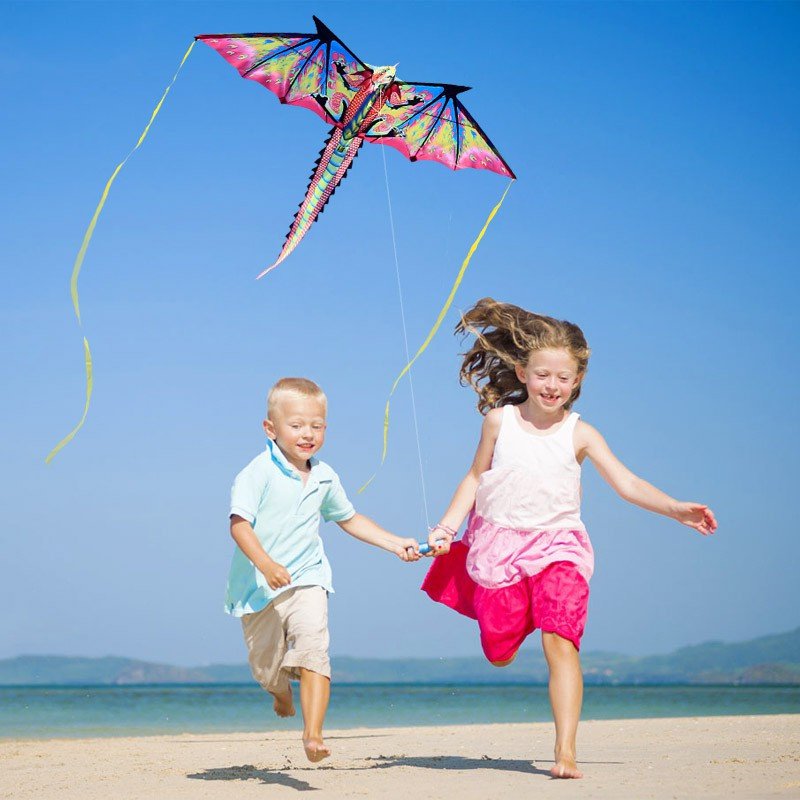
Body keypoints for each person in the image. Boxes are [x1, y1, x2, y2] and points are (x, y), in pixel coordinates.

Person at [421, 298, 717, 779]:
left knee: (562, 640)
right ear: (521, 372)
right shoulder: (499, 422)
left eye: (563, 377)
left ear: (577, 380)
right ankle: (513, 624)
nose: (552, 386)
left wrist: (674, 508)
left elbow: (628, 483)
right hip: (499, 550)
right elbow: (475, 478)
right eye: (542, 375)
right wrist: (446, 528)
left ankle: (565, 752)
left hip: (559, 548)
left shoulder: (581, 434)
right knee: (498, 651)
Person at [227, 377, 420, 763]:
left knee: (314, 647)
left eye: (316, 426)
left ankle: (313, 735)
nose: (307, 434)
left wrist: (395, 543)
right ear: (271, 428)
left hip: (308, 578)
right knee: (267, 669)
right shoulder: (257, 472)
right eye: (297, 425)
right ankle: (280, 692)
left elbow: (349, 519)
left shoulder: (325, 476)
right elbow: (238, 525)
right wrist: (265, 564)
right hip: (258, 588)